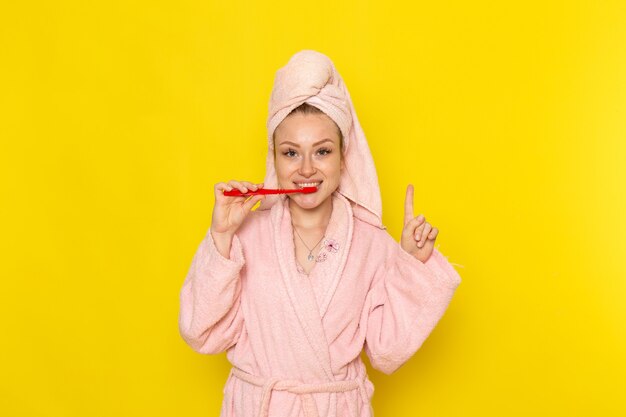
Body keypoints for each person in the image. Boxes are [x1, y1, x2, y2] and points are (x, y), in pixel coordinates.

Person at [178, 50, 462, 417]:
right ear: (274, 159)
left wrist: (412, 267)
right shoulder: (244, 235)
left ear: (343, 158)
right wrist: (220, 236)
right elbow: (201, 332)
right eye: (291, 153)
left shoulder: (371, 242)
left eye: (322, 151)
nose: (307, 169)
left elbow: (386, 350)